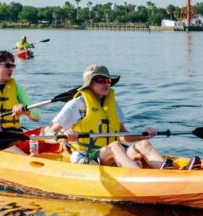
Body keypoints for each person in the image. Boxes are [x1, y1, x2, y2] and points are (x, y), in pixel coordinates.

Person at [46, 64, 182, 169]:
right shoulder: (76, 105)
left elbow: (123, 135)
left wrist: (144, 135)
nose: (106, 84)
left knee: (143, 144)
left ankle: (170, 172)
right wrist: (65, 135)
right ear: (90, 84)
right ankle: (137, 177)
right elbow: (49, 133)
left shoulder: (112, 105)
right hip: (88, 157)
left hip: (111, 155)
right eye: (100, 80)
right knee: (116, 146)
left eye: (108, 80)